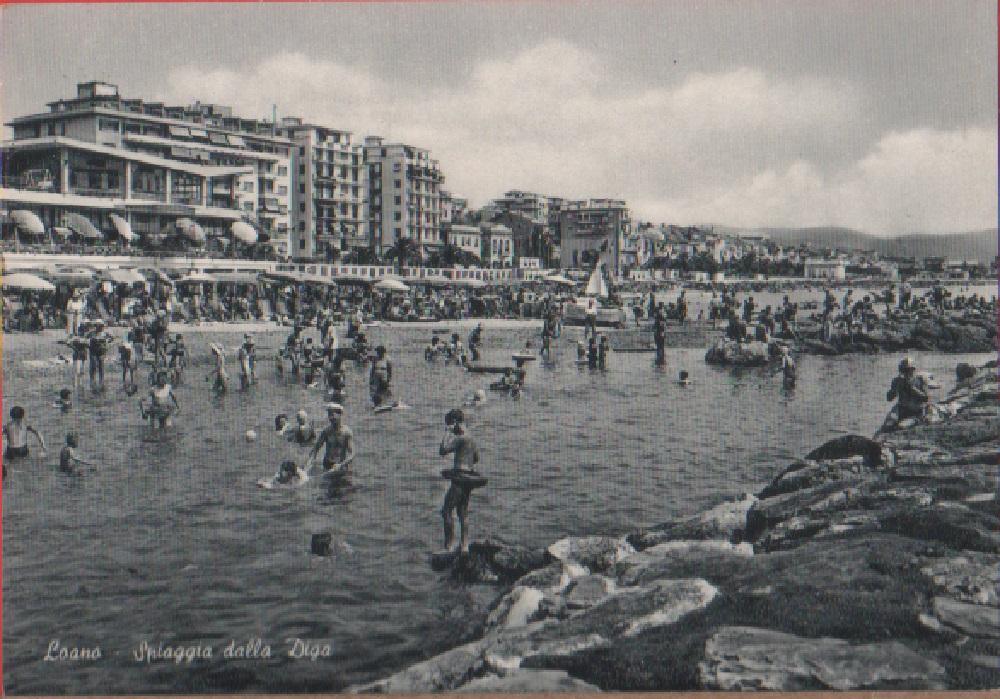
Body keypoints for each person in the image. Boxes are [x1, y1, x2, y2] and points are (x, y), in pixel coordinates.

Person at [439, 408, 480, 554]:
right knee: (463, 512)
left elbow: (443, 450)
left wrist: (447, 432)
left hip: (459, 478)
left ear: (455, 422)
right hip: (469, 478)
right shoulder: (471, 438)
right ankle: (465, 546)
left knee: (446, 511)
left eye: (451, 424)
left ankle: (448, 546)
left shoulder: (460, 438)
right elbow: (476, 458)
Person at [306, 403, 355, 475]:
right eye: (329, 415)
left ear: (340, 414)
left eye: (332, 415)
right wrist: (308, 465)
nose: (330, 418)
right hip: (327, 464)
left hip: (340, 465)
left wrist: (341, 465)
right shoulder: (326, 431)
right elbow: (315, 449)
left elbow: (352, 454)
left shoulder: (347, 432)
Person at [3, 406, 46, 478]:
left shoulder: (7, 426)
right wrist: (43, 447)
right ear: (22, 415)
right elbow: (38, 433)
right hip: (22, 449)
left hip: (11, 450)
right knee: (24, 466)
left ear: (11, 415)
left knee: (9, 465)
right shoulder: (25, 424)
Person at [887, 357, 929, 421]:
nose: (906, 373)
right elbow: (889, 398)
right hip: (902, 410)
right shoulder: (897, 380)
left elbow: (925, 398)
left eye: (907, 370)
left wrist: (911, 389)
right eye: (903, 370)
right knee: (890, 419)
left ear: (913, 370)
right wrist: (895, 389)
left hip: (917, 411)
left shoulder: (920, 379)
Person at [87, 320, 112, 391]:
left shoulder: (105, 334)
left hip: (102, 352)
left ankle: (101, 381)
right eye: (99, 326)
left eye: (102, 326)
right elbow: (85, 339)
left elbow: (112, 339)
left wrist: (107, 342)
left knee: (101, 366)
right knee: (93, 366)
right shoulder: (91, 333)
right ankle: (92, 380)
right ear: (96, 327)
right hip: (93, 352)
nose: (101, 328)